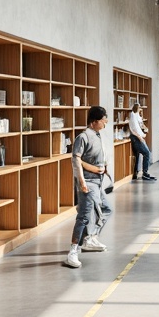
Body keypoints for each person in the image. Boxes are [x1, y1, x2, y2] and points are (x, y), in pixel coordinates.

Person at [63, 106, 113, 267]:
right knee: (84, 215)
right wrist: (82, 182)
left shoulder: (97, 135)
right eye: (104, 120)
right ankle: (72, 251)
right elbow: (75, 160)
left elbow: (95, 158)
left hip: (98, 182)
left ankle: (89, 238)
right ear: (95, 121)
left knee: (106, 209)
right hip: (88, 182)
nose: (106, 122)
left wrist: (103, 170)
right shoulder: (83, 137)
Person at [128, 101, 156, 181]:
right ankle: (145, 173)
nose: (141, 109)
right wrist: (140, 137)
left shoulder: (137, 116)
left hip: (139, 137)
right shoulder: (133, 115)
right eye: (140, 108)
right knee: (147, 153)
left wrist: (145, 129)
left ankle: (136, 173)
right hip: (136, 138)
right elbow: (134, 128)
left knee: (138, 156)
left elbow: (140, 125)